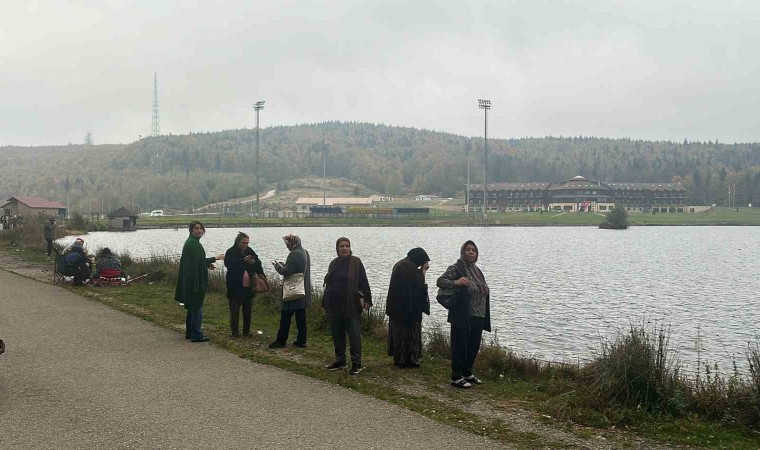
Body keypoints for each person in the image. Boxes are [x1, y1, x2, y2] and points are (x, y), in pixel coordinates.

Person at [436, 240, 491, 389]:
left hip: (479, 315)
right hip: (462, 314)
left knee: (473, 345)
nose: (471, 252)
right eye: (468, 250)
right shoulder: (456, 268)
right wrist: (456, 282)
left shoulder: (477, 270)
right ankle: (456, 377)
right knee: (459, 345)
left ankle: (467, 372)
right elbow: (440, 281)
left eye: (474, 250)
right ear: (463, 252)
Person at [323, 237, 372, 375]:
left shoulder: (355, 262)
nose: (344, 248)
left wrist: (368, 299)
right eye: (341, 246)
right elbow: (329, 284)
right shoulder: (334, 263)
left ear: (350, 248)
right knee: (337, 334)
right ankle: (340, 361)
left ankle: (356, 363)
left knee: (354, 335)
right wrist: (324, 302)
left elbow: (364, 281)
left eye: (347, 246)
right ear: (337, 248)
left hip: (351, 305)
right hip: (334, 304)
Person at [174, 221, 224, 343]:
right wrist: (215, 258)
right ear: (191, 230)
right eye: (196, 228)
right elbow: (197, 262)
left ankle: (190, 333)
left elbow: (197, 261)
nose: (199, 230)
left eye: (201, 228)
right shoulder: (193, 244)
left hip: (190, 280)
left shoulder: (192, 243)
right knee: (197, 307)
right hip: (195, 281)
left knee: (192, 307)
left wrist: (207, 264)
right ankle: (196, 334)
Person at [386, 247, 430, 369]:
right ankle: (408, 360)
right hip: (407, 308)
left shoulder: (403, 264)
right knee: (408, 334)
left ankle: (400, 358)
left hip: (398, 307)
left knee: (400, 333)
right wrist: (423, 271)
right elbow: (418, 286)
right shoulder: (408, 267)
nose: (424, 265)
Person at [270, 234, 311, 349]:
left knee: (286, 316)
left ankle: (281, 340)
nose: (287, 246)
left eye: (287, 244)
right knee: (300, 317)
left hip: (293, 290)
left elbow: (286, 272)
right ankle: (301, 340)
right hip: (302, 289)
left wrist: (277, 266)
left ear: (292, 243)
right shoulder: (305, 252)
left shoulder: (295, 254)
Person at [224, 232, 265, 337]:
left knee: (247, 310)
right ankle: (235, 332)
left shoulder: (249, 251)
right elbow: (228, 263)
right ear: (237, 242)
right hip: (234, 285)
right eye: (243, 243)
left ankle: (246, 332)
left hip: (248, 286)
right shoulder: (230, 251)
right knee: (234, 310)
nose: (245, 245)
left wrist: (253, 263)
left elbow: (258, 263)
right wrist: (243, 260)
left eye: (247, 243)